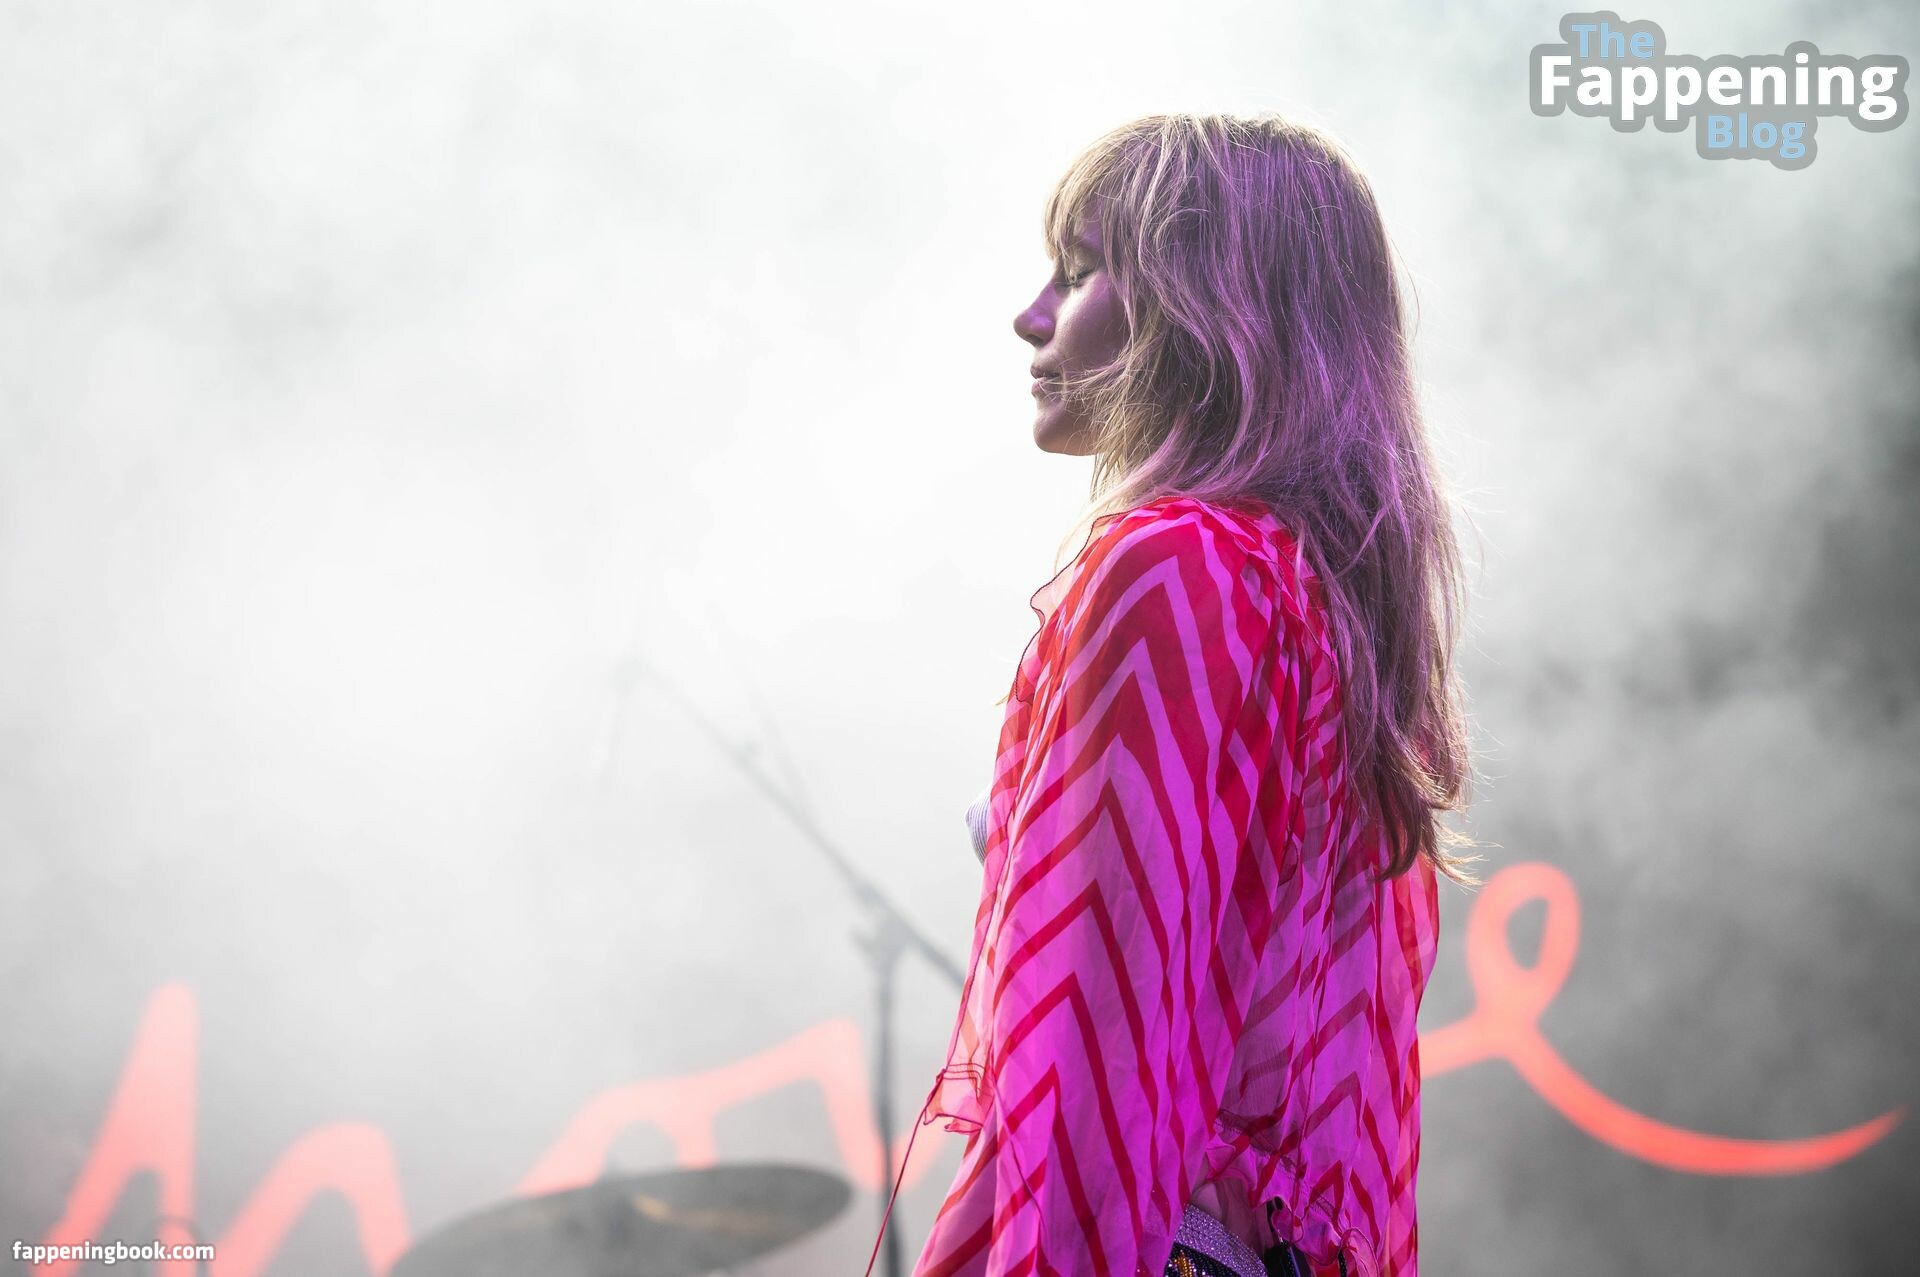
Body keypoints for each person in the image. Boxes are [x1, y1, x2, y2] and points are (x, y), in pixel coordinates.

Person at [903, 114, 1478, 1277]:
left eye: (1079, 270)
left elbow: (1097, 1056)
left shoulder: (1176, 566)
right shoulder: (1325, 605)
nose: (1032, 315)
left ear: (1207, 309)